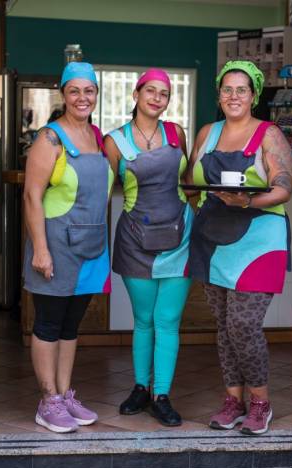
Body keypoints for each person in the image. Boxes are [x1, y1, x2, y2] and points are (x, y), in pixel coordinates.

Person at [186, 60, 292, 435]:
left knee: (244, 325)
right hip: (213, 240)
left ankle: (260, 403)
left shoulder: (269, 134)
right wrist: (201, 206)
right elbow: (189, 182)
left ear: (253, 96)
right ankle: (233, 401)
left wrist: (246, 202)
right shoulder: (206, 133)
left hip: (259, 240)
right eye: (227, 89)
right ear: (219, 94)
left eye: (242, 90)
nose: (234, 96)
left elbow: (283, 186)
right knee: (223, 327)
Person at [22, 62, 112, 434]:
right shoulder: (50, 139)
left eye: (88, 91)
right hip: (57, 245)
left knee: (71, 325)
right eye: (74, 91)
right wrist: (40, 249)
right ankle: (48, 402)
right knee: (48, 323)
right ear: (63, 94)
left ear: (96, 94)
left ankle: (64, 394)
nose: (82, 98)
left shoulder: (97, 137)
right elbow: (31, 195)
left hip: (92, 245)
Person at [104, 69, 192, 427]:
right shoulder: (115, 141)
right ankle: (140, 388)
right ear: (136, 95)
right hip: (135, 241)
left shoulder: (177, 133)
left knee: (167, 320)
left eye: (164, 93)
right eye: (150, 91)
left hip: (180, 238)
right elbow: (104, 190)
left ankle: (162, 395)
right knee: (143, 320)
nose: (157, 98)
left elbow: (187, 181)